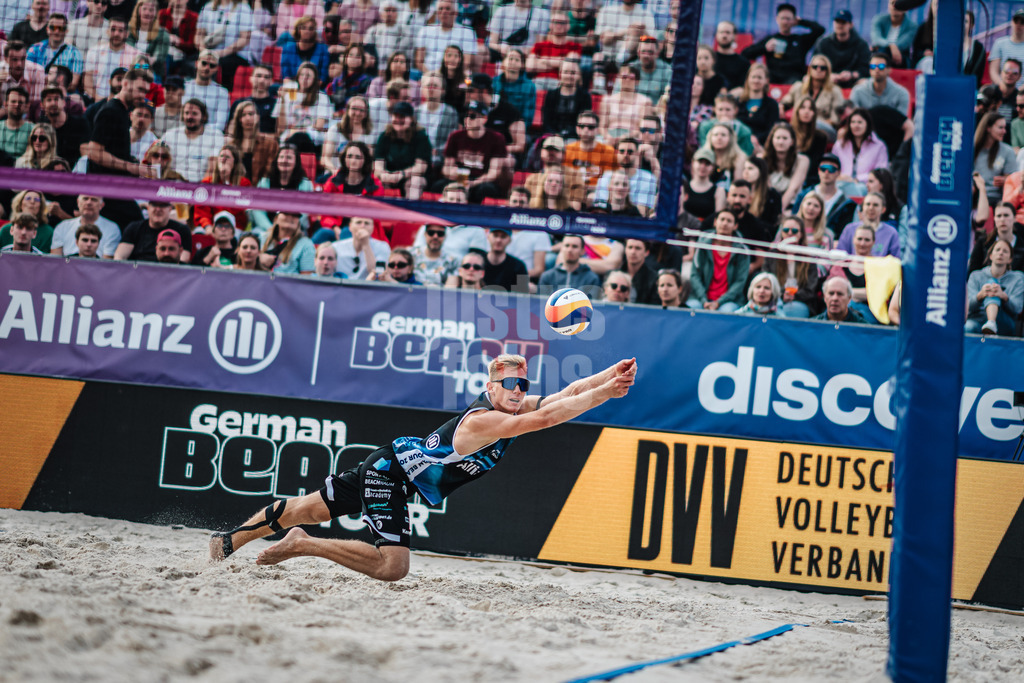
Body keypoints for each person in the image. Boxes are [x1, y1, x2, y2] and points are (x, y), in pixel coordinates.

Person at [209, 353, 637, 579]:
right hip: (391, 474)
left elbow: (565, 394)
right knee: (392, 566)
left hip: (393, 462)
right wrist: (607, 396)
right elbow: (545, 419)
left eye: (523, 384)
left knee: (310, 508)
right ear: (490, 387)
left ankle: (226, 541)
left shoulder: (509, 406)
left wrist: (607, 376)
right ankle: (303, 544)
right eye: (509, 383)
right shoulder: (486, 419)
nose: (518, 390)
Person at [436, 100, 508, 203]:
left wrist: (473, 183)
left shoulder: (497, 138)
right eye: (466, 116)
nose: (468, 119)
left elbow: (493, 173)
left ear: (484, 119)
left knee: (486, 190)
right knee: (438, 186)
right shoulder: (455, 136)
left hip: (481, 180)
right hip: (458, 177)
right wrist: (452, 173)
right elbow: (446, 168)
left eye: (473, 116)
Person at [741, 3, 825, 85]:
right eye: (782, 18)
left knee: (797, 84)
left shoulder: (801, 40)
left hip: (794, 78)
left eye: (788, 19)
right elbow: (745, 53)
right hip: (772, 78)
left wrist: (801, 22)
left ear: (794, 20)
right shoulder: (770, 40)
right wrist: (764, 48)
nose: (785, 22)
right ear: (777, 19)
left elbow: (820, 30)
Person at [688, 209, 750, 313]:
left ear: (735, 226)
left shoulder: (742, 250)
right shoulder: (702, 244)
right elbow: (695, 275)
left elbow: (740, 282)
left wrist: (719, 302)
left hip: (729, 301)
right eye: (722, 219)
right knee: (691, 308)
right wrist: (704, 301)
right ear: (715, 222)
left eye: (729, 221)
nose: (725, 223)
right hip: (701, 299)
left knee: (726, 312)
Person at [965, 238, 1024, 336]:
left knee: (993, 284)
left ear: (1010, 259)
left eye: (1005, 251)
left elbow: (1017, 308)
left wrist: (1003, 296)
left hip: (1004, 321)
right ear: (991, 255)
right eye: (997, 250)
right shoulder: (976, 275)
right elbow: (969, 308)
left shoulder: (1018, 278)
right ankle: (991, 323)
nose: (1001, 253)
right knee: (968, 327)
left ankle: (991, 322)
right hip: (978, 318)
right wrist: (980, 295)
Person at [765, 216, 820, 318]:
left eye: (794, 231)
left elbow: (811, 289)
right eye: (786, 230)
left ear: (801, 234)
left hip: (801, 302)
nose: (790, 233)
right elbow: (766, 281)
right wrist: (782, 295)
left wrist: (794, 296)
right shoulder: (771, 256)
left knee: (790, 310)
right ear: (781, 233)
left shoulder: (809, 258)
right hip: (774, 300)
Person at [159, 98, 225, 183]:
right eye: (186, 113)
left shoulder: (215, 135)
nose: (190, 117)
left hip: (200, 185)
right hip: (171, 184)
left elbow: (212, 169)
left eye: (194, 114)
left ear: (204, 117)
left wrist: (198, 189)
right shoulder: (169, 135)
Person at [374, 101, 430, 200]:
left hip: (411, 177)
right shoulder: (385, 136)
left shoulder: (420, 136)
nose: (398, 120)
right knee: (377, 181)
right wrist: (383, 174)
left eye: (402, 117)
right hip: (390, 177)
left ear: (411, 119)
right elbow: (378, 165)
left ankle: (410, 212)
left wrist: (402, 174)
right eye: (396, 116)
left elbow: (421, 167)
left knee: (415, 182)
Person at [194, 0, 253, 95]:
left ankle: (218, 94)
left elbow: (244, 39)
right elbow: (199, 34)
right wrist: (203, 50)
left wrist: (222, 53)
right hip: (209, 52)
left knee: (222, 65)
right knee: (190, 62)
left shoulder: (243, 9)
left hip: (234, 55)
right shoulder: (208, 7)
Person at [793, 153, 858, 238]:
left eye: (831, 169)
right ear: (818, 171)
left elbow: (843, 233)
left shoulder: (847, 203)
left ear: (838, 173)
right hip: (802, 239)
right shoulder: (803, 195)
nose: (826, 172)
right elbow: (794, 220)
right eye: (823, 169)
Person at [194, 144, 253, 233]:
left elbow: (243, 213)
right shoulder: (206, 183)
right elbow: (201, 212)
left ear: (235, 162)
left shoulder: (244, 183)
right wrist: (208, 227)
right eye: (221, 156)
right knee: (199, 232)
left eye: (227, 157)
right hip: (212, 227)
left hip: (235, 229)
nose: (223, 159)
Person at [832, 108, 889, 197]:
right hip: (841, 183)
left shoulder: (879, 146)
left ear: (867, 124)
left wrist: (857, 179)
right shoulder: (840, 144)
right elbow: (833, 165)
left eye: (860, 122)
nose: (856, 125)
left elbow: (881, 172)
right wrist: (842, 177)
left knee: (857, 190)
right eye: (853, 122)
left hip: (866, 186)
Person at [82, 17, 141, 102]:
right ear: (107, 31)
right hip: (96, 100)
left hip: (124, 102)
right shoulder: (94, 52)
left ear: (126, 34)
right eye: (113, 29)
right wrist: (98, 99)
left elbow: (137, 84)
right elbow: (87, 81)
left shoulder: (136, 55)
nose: (116, 33)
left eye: (120, 30)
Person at [594, 138, 657, 215]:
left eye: (630, 152)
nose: (625, 155)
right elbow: (600, 208)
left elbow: (642, 213)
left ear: (637, 154)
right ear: (617, 153)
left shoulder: (648, 178)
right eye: (622, 151)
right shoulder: (606, 177)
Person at [114, 200, 191, 263]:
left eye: (162, 205)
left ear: (170, 209)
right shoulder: (134, 228)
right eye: (154, 205)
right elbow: (120, 256)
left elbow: (183, 259)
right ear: (148, 208)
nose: (158, 209)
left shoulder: (182, 230)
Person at [414, 0, 478, 73]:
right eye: (441, 9)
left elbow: (467, 62)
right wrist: (431, 75)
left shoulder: (467, 32)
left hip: (455, 76)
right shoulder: (425, 31)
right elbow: (419, 61)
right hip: (429, 75)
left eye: (447, 9)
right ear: (437, 13)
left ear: (455, 13)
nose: (444, 12)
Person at [26, 13, 85, 93]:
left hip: (63, 95)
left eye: (61, 28)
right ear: (47, 29)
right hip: (37, 92)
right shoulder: (35, 49)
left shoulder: (75, 53)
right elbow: (27, 76)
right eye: (53, 28)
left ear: (66, 31)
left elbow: (73, 84)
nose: (57, 31)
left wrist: (43, 79)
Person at [780, 54, 843, 128]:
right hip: (799, 126)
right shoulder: (798, 86)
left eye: (823, 68)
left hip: (823, 128)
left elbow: (835, 119)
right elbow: (785, 101)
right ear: (809, 69)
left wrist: (813, 124)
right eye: (815, 67)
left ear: (828, 71)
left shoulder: (835, 91)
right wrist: (781, 106)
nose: (818, 70)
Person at [224, 98, 279, 183]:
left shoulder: (270, 144)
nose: (248, 118)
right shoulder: (230, 146)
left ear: (258, 117)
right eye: (243, 115)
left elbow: (270, 172)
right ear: (239, 119)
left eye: (251, 114)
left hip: (260, 190)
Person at [813, 10, 871, 89]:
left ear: (851, 25)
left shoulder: (861, 44)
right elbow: (815, 64)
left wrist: (851, 75)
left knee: (865, 83)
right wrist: (828, 75)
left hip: (853, 82)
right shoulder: (823, 43)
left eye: (843, 22)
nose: (839, 25)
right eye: (837, 21)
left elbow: (865, 69)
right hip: (828, 80)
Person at [49, 194, 119, 258]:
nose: (89, 203)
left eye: (94, 200)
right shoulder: (62, 227)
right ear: (78, 202)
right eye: (85, 199)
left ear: (101, 205)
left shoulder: (112, 229)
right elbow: (55, 261)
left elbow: (106, 264)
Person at [526, 12, 580, 91]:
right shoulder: (539, 45)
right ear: (550, 25)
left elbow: (570, 65)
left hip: (560, 83)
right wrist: (560, 63)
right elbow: (530, 67)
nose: (558, 26)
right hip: (538, 82)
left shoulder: (575, 46)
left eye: (562, 23)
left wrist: (543, 60)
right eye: (555, 22)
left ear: (568, 26)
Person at [537, 234, 601, 299]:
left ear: (582, 251)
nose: (570, 250)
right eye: (567, 246)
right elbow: (542, 304)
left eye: (574, 246)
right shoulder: (547, 276)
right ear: (561, 248)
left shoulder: (591, 278)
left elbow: (593, 306)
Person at [322, 96, 375, 174]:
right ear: (347, 110)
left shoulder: (370, 134)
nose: (357, 113)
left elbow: (369, 162)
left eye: (361, 110)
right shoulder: (335, 130)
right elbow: (325, 159)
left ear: (366, 113)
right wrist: (334, 170)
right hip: (335, 174)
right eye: (354, 109)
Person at [974, 112, 1018, 208]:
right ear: (988, 128)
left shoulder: (1007, 151)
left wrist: (1005, 180)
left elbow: (1014, 180)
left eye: (1005, 128)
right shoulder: (973, 149)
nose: (1004, 131)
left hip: (996, 200)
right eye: (1000, 127)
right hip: (973, 197)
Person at [541, 59, 592, 138]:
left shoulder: (585, 97)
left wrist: (567, 135)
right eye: (565, 72)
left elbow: (583, 123)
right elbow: (546, 122)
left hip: (575, 138)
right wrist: (555, 135)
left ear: (579, 75)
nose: (569, 76)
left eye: (573, 73)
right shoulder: (551, 95)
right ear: (560, 74)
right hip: (551, 136)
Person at [564, 110, 614, 188]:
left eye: (590, 127)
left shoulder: (608, 151)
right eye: (582, 126)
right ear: (577, 128)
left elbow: (608, 182)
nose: (586, 130)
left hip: (597, 193)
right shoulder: (568, 149)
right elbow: (565, 179)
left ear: (597, 130)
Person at [732, 63, 779, 147]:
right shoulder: (737, 102)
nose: (756, 81)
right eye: (753, 77)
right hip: (737, 144)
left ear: (766, 81)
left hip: (761, 146)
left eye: (759, 77)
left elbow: (771, 130)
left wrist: (755, 140)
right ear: (748, 79)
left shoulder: (772, 104)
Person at [849, 52, 910, 117]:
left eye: (881, 66)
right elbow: (854, 119)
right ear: (869, 69)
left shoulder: (901, 93)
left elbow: (902, 122)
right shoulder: (857, 91)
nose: (876, 70)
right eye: (873, 66)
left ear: (889, 70)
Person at [970, 202, 1024, 274]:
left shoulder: (1022, 245)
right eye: (999, 216)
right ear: (994, 219)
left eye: (1006, 215)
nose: (1002, 219)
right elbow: (972, 272)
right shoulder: (983, 242)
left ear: (1014, 218)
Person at [261, 211, 315, 275]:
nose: (290, 217)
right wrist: (259, 259)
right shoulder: (262, 238)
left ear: (298, 222)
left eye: (295, 215)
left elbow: (306, 279)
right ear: (276, 218)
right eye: (285, 213)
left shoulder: (306, 244)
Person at [281, 16, 331, 84]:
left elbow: (322, 78)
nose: (307, 31)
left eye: (311, 28)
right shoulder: (288, 48)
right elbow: (286, 76)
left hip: (315, 89)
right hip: (293, 88)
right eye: (304, 28)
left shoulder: (323, 49)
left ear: (315, 31)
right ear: (298, 30)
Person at [870, 0, 916, 69]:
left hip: (900, 58)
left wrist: (890, 46)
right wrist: (891, 45)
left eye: (898, 3)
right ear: (888, 6)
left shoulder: (912, 26)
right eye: (892, 3)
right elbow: (876, 38)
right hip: (880, 55)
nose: (895, 6)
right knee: (881, 52)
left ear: (906, 8)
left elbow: (903, 44)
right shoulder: (879, 19)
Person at [482, 227, 529, 293]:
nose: (498, 240)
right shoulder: (477, 263)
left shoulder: (518, 266)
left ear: (509, 240)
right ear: (488, 236)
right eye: (495, 235)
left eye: (503, 237)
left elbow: (522, 297)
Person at [713, 21, 750, 89]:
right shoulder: (709, 59)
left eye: (728, 32)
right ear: (716, 35)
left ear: (735, 36)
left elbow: (743, 88)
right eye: (721, 32)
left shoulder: (743, 63)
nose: (724, 36)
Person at [622, 238, 659, 305]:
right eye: (630, 247)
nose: (633, 252)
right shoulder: (613, 274)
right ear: (625, 250)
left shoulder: (654, 278)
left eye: (638, 248)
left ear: (646, 252)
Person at [0, 87, 31, 158]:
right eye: (13, 101)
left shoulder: (33, 130)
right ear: (5, 104)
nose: (17, 105)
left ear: (26, 106)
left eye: (20, 102)